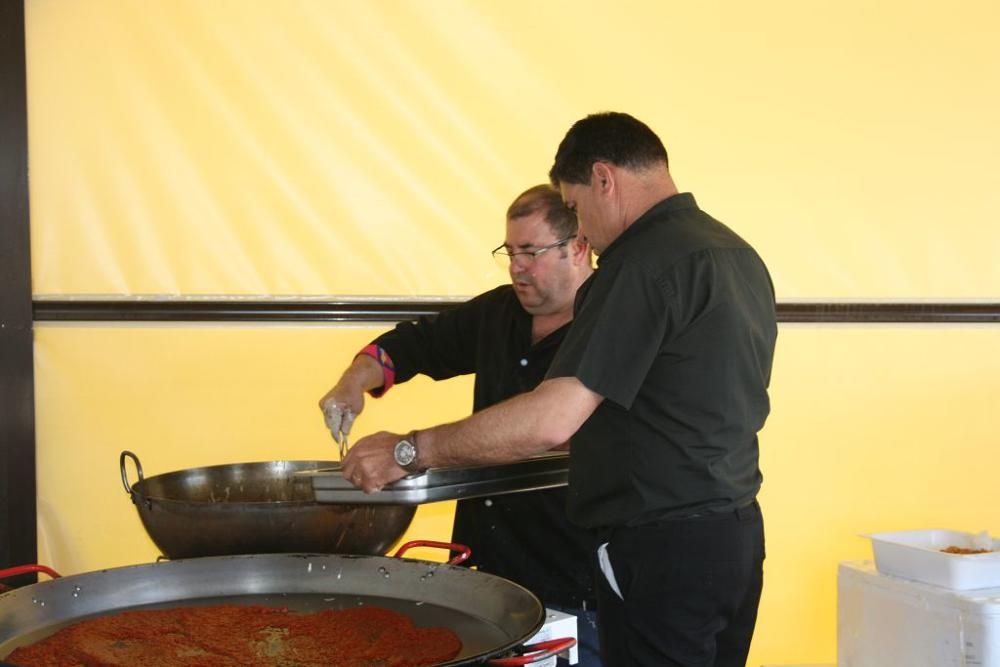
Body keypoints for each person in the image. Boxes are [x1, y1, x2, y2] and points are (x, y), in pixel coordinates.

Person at [338, 112, 778, 666]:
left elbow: (552, 418)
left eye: (573, 209)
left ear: (604, 179)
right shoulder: (735, 254)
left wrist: (411, 450)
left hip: (657, 547)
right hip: (733, 533)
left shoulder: (639, 265)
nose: (583, 232)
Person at [319, 184, 603, 666]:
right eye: (509, 252)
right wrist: (353, 380)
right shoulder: (499, 313)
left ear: (578, 247)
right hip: (485, 579)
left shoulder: (610, 323)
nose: (517, 266)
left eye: (531, 252)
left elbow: (547, 428)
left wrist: (408, 451)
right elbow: (413, 345)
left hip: (573, 585)